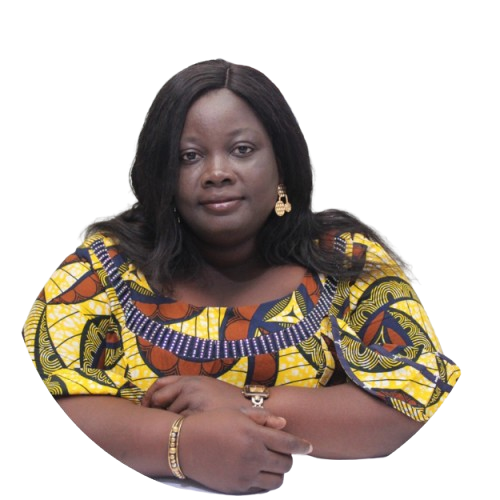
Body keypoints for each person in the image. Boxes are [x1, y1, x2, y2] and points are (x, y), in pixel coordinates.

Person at [23, 58, 461, 494]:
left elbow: (420, 398)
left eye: (242, 150)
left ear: (281, 163)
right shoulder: (99, 270)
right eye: (189, 156)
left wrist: (248, 401)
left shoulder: (345, 260)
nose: (217, 173)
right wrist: (183, 445)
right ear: (163, 174)